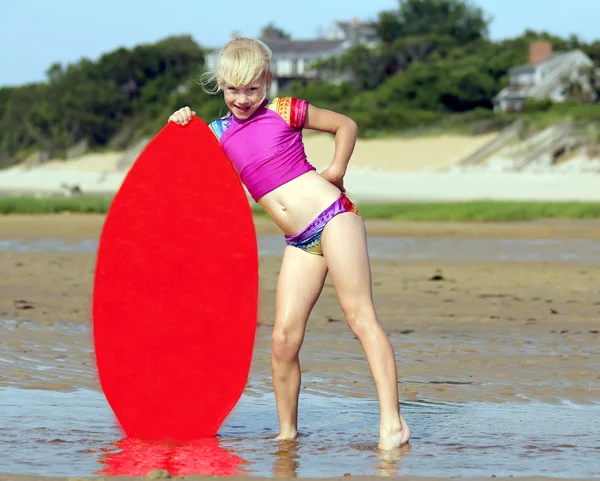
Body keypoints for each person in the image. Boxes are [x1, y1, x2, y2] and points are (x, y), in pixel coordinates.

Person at [168, 37, 410, 450]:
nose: (242, 99)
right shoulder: (217, 134)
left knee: (359, 316)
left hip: (335, 217)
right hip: (299, 240)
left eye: (252, 89)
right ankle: (287, 434)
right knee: (283, 339)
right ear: (220, 85)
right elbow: (184, 172)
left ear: (267, 81)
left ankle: (393, 423)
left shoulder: (284, 110)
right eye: (233, 90)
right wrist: (180, 123)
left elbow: (345, 125)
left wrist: (335, 169)